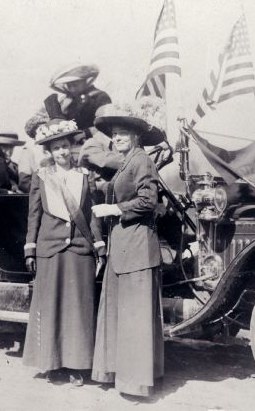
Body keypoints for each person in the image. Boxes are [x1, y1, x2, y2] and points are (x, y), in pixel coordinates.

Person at [23, 118, 106, 386]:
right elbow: (34, 215)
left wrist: (98, 243)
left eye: (65, 147)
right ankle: (51, 363)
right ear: (50, 151)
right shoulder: (42, 177)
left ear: (72, 148)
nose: (62, 152)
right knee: (51, 307)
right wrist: (30, 247)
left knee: (78, 309)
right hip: (51, 249)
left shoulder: (84, 176)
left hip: (79, 249)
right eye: (56, 148)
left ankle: (77, 365)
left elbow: (91, 214)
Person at [90, 100, 165, 397]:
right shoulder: (127, 161)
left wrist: (114, 208)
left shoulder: (141, 160)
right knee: (124, 314)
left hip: (136, 245)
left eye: (122, 133)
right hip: (123, 245)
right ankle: (124, 376)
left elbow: (149, 201)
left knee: (134, 315)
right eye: (114, 133)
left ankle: (135, 384)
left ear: (136, 136)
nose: (117, 137)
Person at [43, 62, 111, 139]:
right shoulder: (67, 101)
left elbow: (107, 122)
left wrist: (85, 133)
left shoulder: (100, 97)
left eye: (75, 85)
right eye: (69, 86)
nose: (72, 89)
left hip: (95, 138)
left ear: (85, 81)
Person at [18, 110, 50, 193]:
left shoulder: (54, 149)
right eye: (40, 129)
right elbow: (24, 182)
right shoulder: (28, 152)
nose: (44, 132)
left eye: (47, 128)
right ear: (34, 133)